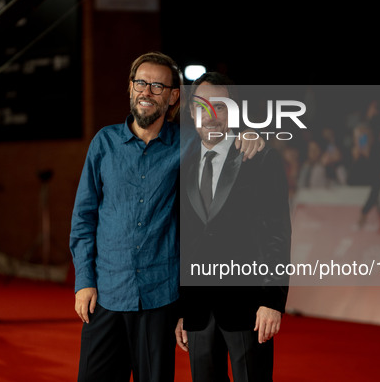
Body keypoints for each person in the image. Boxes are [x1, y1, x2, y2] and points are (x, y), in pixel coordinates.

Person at [69, 52, 264, 382]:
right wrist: (84, 281)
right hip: (107, 296)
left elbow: (218, 133)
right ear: (130, 88)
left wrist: (248, 135)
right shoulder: (103, 143)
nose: (146, 91)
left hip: (159, 300)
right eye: (140, 83)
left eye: (157, 85)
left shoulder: (187, 142)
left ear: (174, 96)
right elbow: (84, 219)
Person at [175, 72, 291, 381]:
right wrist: (182, 308)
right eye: (202, 106)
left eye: (221, 106)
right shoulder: (183, 164)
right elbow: (185, 240)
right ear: (191, 111)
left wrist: (271, 300)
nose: (211, 115)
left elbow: (276, 235)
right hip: (198, 312)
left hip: (248, 308)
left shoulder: (259, 158)